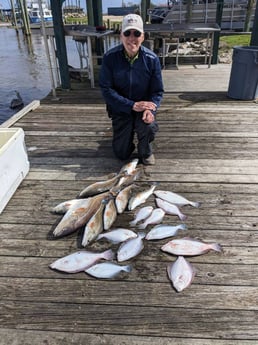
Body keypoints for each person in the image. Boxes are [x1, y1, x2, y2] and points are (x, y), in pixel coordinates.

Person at [99, 13, 164, 165]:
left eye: (136, 33)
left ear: (143, 36)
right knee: (122, 154)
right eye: (127, 33)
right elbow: (106, 89)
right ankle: (124, 138)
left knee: (148, 127)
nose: (131, 38)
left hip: (143, 109)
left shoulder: (152, 59)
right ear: (121, 36)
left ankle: (145, 149)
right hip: (121, 109)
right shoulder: (110, 58)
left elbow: (157, 91)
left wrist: (151, 110)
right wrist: (131, 105)